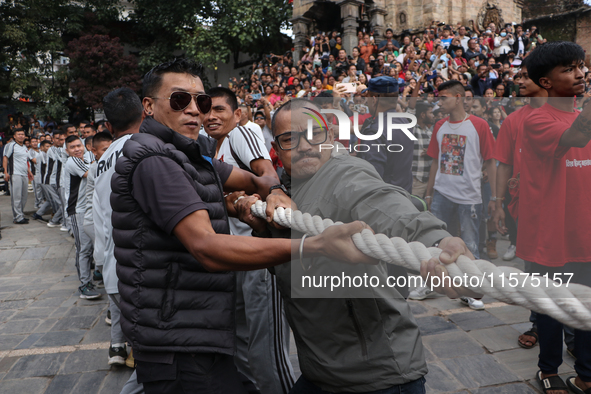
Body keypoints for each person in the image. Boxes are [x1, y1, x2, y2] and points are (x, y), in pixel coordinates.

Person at [111, 59, 369, 394]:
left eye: (201, 102)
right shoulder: (156, 161)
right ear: (148, 106)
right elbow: (208, 248)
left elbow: (253, 178)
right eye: (179, 100)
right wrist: (313, 245)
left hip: (197, 326)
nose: (195, 111)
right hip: (178, 336)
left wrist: (269, 194)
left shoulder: (188, 155)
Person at [233, 98, 477, 393]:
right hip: (320, 370)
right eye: (289, 139)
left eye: (314, 133)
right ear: (277, 148)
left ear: (331, 136)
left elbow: (385, 205)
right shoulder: (286, 191)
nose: (305, 145)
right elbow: (293, 262)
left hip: (376, 374)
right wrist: (263, 230)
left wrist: (435, 242)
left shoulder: (345, 173)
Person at [204, 87, 295, 394]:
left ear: (237, 114)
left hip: (258, 257)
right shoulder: (218, 149)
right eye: (206, 110)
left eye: (219, 110)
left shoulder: (240, 135)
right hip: (238, 258)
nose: (211, 116)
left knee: (266, 351)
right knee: (242, 342)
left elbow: (267, 174)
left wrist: (273, 193)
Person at [516, 41, 591, 394]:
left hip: (585, 231)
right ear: (545, 83)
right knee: (549, 308)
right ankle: (548, 370)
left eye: (581, 66)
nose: (580, 73)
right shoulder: (537, 119)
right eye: (568, 69)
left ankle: (586, 373)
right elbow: (576, 139)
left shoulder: (581, 113)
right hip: (551, 234)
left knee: (586, 308)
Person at [423, 80, 497, 309]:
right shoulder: (439, 126)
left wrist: (494, 197)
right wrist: (429, 193)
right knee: (434, 241)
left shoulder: (479, 125)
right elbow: (435, 162)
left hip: (470, 197)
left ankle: (471, 290)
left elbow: (491, 162)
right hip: (442, 194)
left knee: (471, 244)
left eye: (443, 97)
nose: (439, 102)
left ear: (458, 97)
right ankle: (429, 282)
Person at [93, 88, 144, 389]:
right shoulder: (145, 148)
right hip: (138, 269)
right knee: (152, 364)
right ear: (144, 112)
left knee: (150, 363)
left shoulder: (103, 159)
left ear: (108, 127)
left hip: (113, 267)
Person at [357, 76, 414, 193]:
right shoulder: (405, 122)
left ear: (374, 99)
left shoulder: (375, 132)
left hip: (385, 201)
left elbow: (372, 180)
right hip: (404, 196)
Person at [63, 135, 102, 299]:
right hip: (77, 211)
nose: (77, 149)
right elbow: (90, 174)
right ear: (67, 151)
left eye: (79, 146)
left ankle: (97, 273)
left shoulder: (87, 158)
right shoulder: (73, 161)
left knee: (95, 244)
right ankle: (84, 284)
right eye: (72, 147)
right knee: (83, 249)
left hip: (89, 209)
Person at [3, 128, 32, 224]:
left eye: (22, 134)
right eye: (19, 134)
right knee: (16, 197)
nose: (21, 136)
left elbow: (25, 161)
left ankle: (20, 215)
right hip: (15, 174)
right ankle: (18, 218)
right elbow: (5, 158)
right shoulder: (11, 145)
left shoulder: (24, 147)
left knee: (24, 196)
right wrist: (5, 172)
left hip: (24, 174)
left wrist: (29, 172)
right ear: (14, 136)